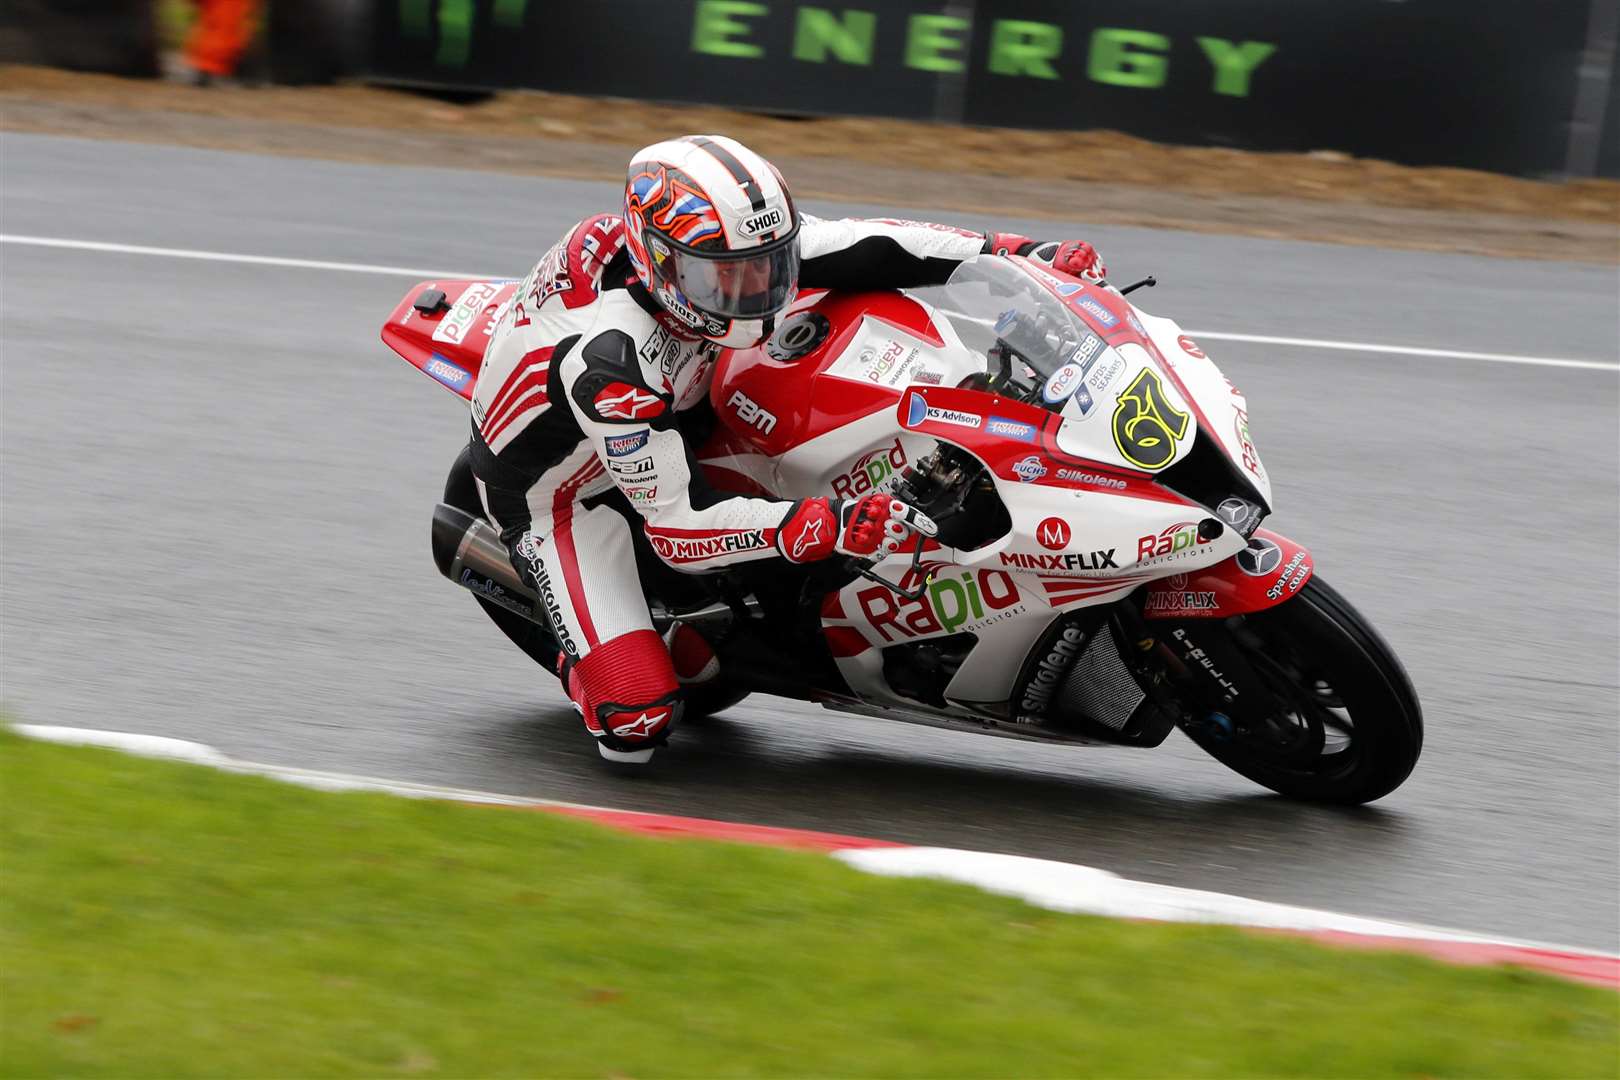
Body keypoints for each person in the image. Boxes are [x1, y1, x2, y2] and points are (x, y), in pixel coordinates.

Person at [470, 134, 1106, 762]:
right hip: (567, 494)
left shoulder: (717, 243)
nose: (755, 291)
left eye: (768, 266)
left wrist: (1017, 255)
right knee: (637, 723)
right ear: (660, 264)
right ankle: (585, 652)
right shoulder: (610, 364)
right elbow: (676, 525)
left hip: (685, 397)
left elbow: (872, 243)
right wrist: (825, 524)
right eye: (725, 279)